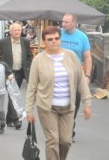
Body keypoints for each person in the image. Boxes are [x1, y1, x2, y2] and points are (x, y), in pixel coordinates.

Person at [26, 26, 91, 160]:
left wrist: (86, 103)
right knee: (53, 140)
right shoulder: (38, 60)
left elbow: (81, 81)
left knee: (66, 141)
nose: (54, 41)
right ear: (44, 42)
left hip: (68, 108)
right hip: (47, 108)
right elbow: (31, 87)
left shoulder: (71, 56)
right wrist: (29, 110)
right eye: (50, 39)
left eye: (56, 38)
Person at [61, 13, 92, 142]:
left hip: (76, 76)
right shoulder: (58, 34)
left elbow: (87, 57)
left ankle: (69, 130)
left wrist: (87, 75)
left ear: (74, 22)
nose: (63, 24)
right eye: (62, 21)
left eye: (66, 22)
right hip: (59, 75)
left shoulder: (82, 37)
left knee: (74, 105)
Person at [0, 22, 33, 129]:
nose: (17, 32)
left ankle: (9, 119)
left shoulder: (25, 41)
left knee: (13, 95)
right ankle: (17, 120)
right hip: (9, 73)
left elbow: (29, 56)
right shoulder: (2, 42)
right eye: (15, 30)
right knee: (13, 95)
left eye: (19, 30)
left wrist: (28, 66)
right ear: (10, 31)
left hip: (20, 72)